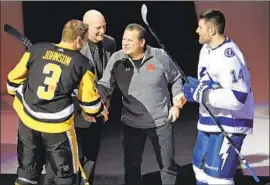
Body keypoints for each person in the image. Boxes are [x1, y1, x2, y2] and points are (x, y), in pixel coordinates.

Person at [6, 19, 108, 185]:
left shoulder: (36, 49)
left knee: (27, 173)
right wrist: (99, 109)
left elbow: (11, 84)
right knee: (66, 177)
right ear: (78, 40)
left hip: (27, 123)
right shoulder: (83, 64)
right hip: (57, 127)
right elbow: (90, 105)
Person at [97, 23, 186, 185]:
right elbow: (105, 84)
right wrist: (99, 99)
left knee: (167, 166)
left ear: (142, 42)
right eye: (124, 38)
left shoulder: (160, 56)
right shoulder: (117, 58)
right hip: (131, 124)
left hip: (161, 122)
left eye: (130, 40)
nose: (124, 43)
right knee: (131, 167)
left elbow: (176, 78)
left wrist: (177, 103)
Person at [181, 9, 254, 185]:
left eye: (200, 27)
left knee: (217, 180)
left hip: (229, 125)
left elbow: (238, 97)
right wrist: (192, 92)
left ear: (212, 30)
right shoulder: (205, 50)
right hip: (208, 121)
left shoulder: (229, 57)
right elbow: (206, 83)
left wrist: (204, 94)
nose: (196, 31)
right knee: (200, 172)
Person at [44, 9, 117, 185]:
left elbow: (109, 76)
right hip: (73, 113)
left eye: (104, 26)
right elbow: (64, 86)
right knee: (64, 159)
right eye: (98, 28)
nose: (103, 31)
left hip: (98, 110)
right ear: (85, 29)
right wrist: (83, 108)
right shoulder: (72, 47)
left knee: (91, 155)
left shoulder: (110, 43)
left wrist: (103, 102)